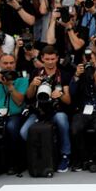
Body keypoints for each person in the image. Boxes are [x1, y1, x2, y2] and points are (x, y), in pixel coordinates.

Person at [20, 45, 72, 173]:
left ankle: (65, 155)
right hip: (38, 111)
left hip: (56, 110)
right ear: (42, 58)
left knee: (62, 119)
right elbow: (29, 96)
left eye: (52, 59)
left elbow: (68, 100)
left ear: (57, 58)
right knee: (23, 132)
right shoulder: (35, 73)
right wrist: (32, 84)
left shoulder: (63, 74)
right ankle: (42, 156)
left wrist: (59, 95)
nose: (50, 62)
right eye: (47, 59)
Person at [0, 53, 28, 174]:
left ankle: (13, 163)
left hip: (14, 114)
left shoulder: (22, 79)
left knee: (11, 127)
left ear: (15, 64)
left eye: (11, 63)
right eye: (5, 63)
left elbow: (20, 101)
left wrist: (10, 85)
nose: (9, 66)